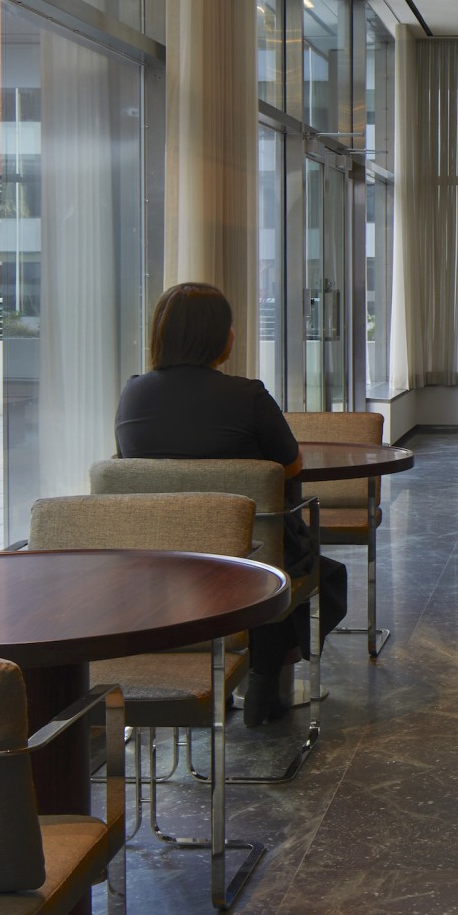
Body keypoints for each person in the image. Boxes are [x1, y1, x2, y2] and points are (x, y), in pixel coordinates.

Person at [115, 282, 350, 726]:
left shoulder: (134, 394)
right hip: (249, 563)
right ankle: (264, 676)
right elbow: (291, 465)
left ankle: (229, 679)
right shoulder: (247, 396)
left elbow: (129, 465)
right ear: (219, 337)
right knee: (316, 573)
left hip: (159, 564)